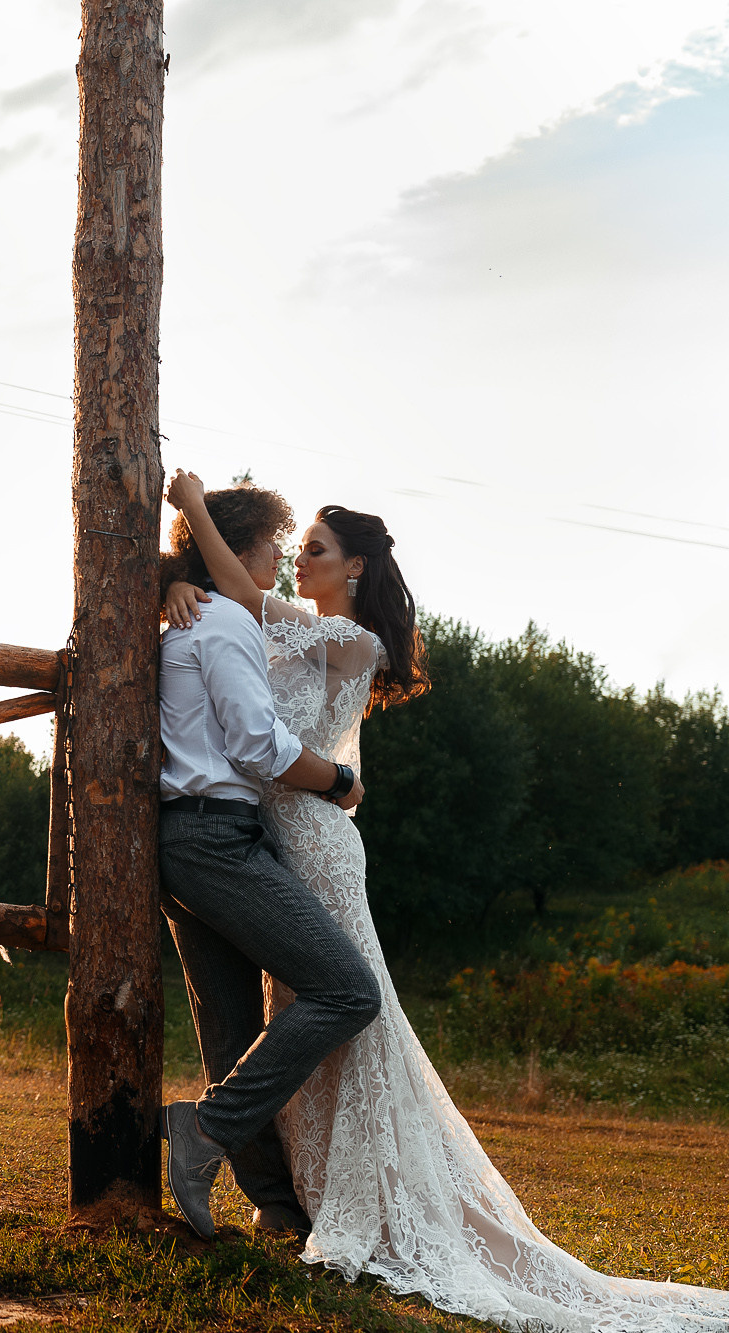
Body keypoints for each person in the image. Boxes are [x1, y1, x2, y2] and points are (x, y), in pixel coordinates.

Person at [164, 469, 729, 1331]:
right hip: (261, 837)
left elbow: (243, 596)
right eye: (296, 547)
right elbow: (232, 597)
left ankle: (345, 1190)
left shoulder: (352, 640)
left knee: (351, 1003)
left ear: (354, 569)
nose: (295, 561)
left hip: (311, 836)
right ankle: (292, 1196)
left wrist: (195, 510)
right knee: (307, 1008)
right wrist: (176, 577)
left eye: (313, 549)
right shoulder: (271, 628)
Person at [155, 478, 384, 1243]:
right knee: (347, 989)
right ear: (243, 542)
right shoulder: (222, 619)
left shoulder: (227, 618)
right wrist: (342, 780)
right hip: (222, 835)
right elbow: (259, 744)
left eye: (311, 548)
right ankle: (209, 1129)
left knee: (231, 1029)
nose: (286, 557)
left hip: (210, 837)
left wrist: (176, 577)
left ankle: (277, 1206)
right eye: (280, 543)